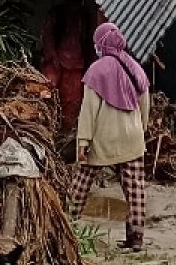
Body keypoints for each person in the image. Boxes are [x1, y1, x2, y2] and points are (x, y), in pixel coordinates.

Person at [67, 23, 151, 252]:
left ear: (101, 43)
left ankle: (66, 226)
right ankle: (136, 239)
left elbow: (89, 110)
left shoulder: (96, 69)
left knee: (81, 184)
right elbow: (145, 104)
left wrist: (83, 142)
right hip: (132, 138)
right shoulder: (135, 67)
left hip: (103, 138)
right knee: (135, 190)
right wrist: (140, 130)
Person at [41, 0, 89, 132]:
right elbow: (47, 36)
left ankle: (67, 134)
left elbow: (85, 39)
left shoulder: (83, 16)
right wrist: (53, 56)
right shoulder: (57, 15)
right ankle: (50, 130)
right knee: (48, 96)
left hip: (75, 65)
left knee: (72, 103)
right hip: (57, 63)